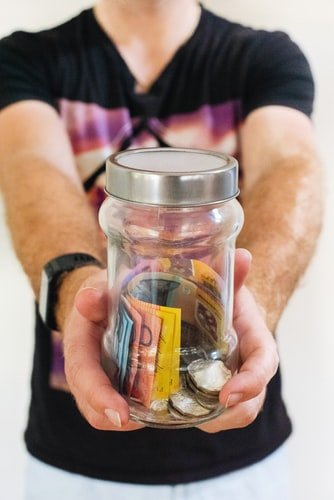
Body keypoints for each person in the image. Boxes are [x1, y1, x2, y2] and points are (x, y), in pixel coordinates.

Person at [0, 0, 323, 498]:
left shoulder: (263, 57)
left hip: (242, 459)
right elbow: (32, 168)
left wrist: (244, 308)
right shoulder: (26, 58)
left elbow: (290, 165)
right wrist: (80, 294)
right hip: (76, 460)